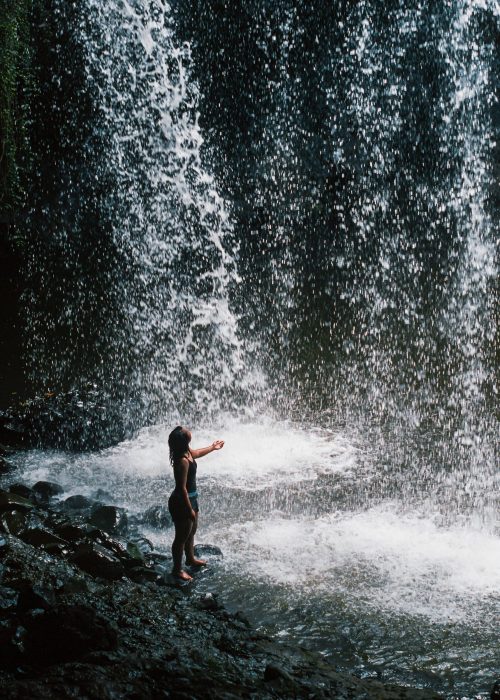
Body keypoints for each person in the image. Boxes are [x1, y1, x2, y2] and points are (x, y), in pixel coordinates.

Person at [167, 426, 224, 581]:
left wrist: (213, 447)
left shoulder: (187, 452)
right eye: (186, 430)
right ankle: (177, 570)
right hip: (181, 501)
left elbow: (197, 453)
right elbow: (181, 489)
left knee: (191, 532)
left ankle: (190, 558)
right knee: (180, 538)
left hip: (192, 498)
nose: (188, 429)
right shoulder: (182, 461)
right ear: (185, 439)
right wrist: (189, 509)